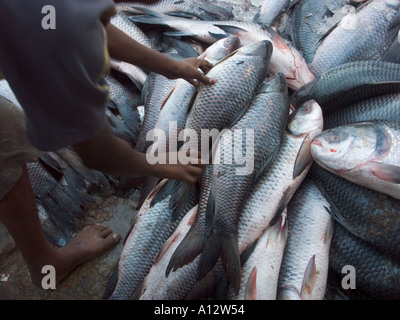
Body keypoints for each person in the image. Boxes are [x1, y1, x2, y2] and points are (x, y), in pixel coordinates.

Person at [0, 0, 215, 288]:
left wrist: (170, 67)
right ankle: (47, 266)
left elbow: (92, 25)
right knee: (7, 134)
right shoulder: (52, 33)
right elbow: (98, 154)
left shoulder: (59, 15)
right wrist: (159, 163)